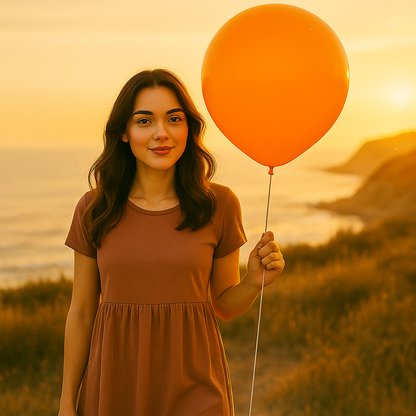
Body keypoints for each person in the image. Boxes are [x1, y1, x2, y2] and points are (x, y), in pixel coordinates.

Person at [58, 68, 285, 416]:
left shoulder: (220, 204)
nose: (161, 133)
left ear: (188, 128)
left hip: (196, 384)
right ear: (124, 132)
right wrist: (66, 404)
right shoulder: (94, 208)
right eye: (145, 121)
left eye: (174, 119)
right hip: (115, 382)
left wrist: (254, 282)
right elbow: (82, 312)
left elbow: (223, 305)